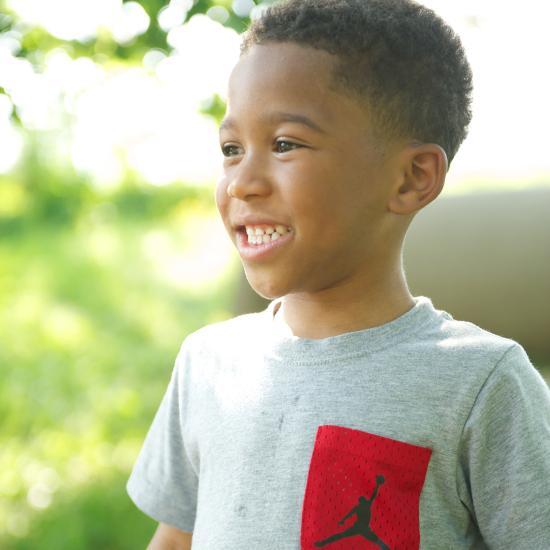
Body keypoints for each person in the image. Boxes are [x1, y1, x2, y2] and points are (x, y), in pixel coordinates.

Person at [126, 0, 550, 548]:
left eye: (284, 144)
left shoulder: (481, 385)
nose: (241, 182)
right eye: (231, 149)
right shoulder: (208, 363)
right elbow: (176, 539)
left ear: (411, 178)